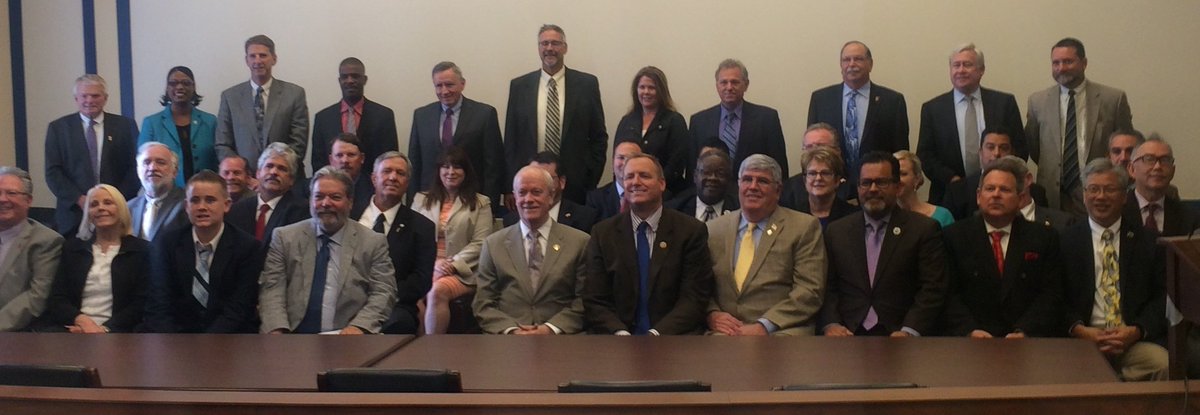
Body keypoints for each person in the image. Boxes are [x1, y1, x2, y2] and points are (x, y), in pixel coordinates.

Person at [584, 154, 714, 335]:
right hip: (616, 339)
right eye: (629, 177)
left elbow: (694, 298)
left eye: (644, 176)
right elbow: (594, 299)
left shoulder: (690, 232)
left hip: (673, 338)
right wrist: (620, 333)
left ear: (662, 184)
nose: (635, 182)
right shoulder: (603, 233)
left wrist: (655, 334)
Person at [821, 152, 947, 337]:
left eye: (881, 182)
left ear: (897, 187)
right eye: (866, 183)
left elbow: (932, 289)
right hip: (847, 334)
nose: (873, 189)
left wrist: (909, 330)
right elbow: (828, 287)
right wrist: (831, 324)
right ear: (858, 187)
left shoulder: (923, 229)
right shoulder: (837, 231)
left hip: (900, 334)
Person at [1062, 159, 1166, 381]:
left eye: (1109, 190)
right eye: (1093, 189)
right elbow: (1054, 298)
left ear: (1124, 196)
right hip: (1082, 340)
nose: (1100, 197)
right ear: (1084, 195)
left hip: (1132, 341)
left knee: (1162, 363)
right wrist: (1080, 330)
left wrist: (1136, 331)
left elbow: (1162, 297)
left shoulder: (1148, 242)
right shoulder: (1065, 241)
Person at [259, 167, 398, 334]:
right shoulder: (284, 238)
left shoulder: (372, 242)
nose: (325, 203)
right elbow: (272, 289)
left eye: (335, 197)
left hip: (348, 337)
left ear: (350, 202)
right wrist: (277, 329)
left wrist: (359, 327)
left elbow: (383, 292)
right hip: (293, 336)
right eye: (319, 196)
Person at [941, 157, 1063, 338]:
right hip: (970, 341)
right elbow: (948, 293)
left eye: (1005, 189)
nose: (996, 195)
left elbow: (1051, 294)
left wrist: (1025, 330)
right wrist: (970, 330)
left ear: (1020, 198)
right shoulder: (953, 236)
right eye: (990, 189)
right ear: (978, 196)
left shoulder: (1044, 237)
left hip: (1027, 341)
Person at [706, 155, 826, 336]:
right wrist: (712, 314)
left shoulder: (803, 228)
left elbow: (810, 291)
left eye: (762, 181)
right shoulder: (713, 229)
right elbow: (698, 286)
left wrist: (764, 325)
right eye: (747, 179)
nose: (753, 187)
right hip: (724, 332)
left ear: (778, 190)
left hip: (781, 331)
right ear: (738, 185)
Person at [474, 166, 590, 335]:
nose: (528, 199)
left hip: (561, 339)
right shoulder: (493, 244)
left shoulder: (579, 242)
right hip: (506, 340)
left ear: (551, 196)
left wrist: (549, 329)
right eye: (522, 192)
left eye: (536, 192)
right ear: (515, 197)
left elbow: (583, 301)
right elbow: (483, 303)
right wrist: (512, 330)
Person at [142, 171, 262, 333]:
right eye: (195, 200)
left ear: (227, 205)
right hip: (176, 337)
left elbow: (240, 307)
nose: (202, 207)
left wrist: (207, 342)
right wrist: (172, 341)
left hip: (229, 337)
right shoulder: (167, 244)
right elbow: (159, 302)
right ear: (186, 206)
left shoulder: (247, 247)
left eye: (210, 200)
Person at [1026, 37, 1134, 216]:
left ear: (1084, 63)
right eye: (1056, 63)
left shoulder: (1113, 99)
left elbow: (1126, 145)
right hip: (1053, 194)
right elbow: (1034, 147)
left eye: (1068, 61)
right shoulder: (1037, 101)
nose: (1061, 68)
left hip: (1099, 190)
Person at [504, 24, 607, 206]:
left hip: (575, 184)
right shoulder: (519, 86)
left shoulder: (586, 85)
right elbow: (511, 140)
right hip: (529, 185)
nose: (549, 48)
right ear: (538, 48)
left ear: (565, 48)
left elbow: (598, 137)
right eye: (544, 43)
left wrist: (589, 179)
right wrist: (510, 184)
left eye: (555, 43)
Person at [916, 43, 1025, 203]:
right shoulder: (932, 109)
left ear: (981, 70)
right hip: (948, 193)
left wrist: (998, 178)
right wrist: (953, 180)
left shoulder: (1004, 103)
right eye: (956, 65)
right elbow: (926, 155)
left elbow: (1020, 147)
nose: (961, 70)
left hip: (998, 193)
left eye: (967, 64)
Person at [34, 184, 148, 333]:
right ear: (88, 213)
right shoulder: (72, 249)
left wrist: (105, 329)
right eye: (94, 204)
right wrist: (82, 321)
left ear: (121, 209)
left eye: (108, 202)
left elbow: (141, 303)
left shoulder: (141, 250)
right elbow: (58, 298)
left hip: (120, 333)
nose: (101, 208)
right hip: (74, 329)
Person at [808, 41, 909, 199]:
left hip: (876, 188)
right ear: (841, 65)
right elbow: (811, 148)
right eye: (846, 60)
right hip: (831, 187)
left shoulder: (892, 101)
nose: (851, 64)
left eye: (858, 59)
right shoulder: (821, 99)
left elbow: (900, 151)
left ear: (870, 64)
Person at [44, 74, 139, 235]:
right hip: (73, 214)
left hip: (116, 212)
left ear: (105, 98)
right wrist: (79, 199)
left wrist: (114, 200)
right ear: (76, 99)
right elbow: (53, 172)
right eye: (84, 96)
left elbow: (135, 168)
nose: (89, 100)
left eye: (95, 96)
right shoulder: (59, 128)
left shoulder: (125, 126)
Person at [353, 151, 436, 335]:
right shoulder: (349, 215)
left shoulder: (422, 227)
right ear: (374, 178)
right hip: (345, 301)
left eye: (400, 173)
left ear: (407, 183)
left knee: (398, 324)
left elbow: (421, 280)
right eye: (387, 171)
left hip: (394, 306)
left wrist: (382, 298)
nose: (393, 177)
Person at [412, 147, 493, 334]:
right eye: (445, 166)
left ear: (466, 171)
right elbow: (413, 239)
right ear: (438, 170)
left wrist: (452, 264)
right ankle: (416, 346)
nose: (451, 172)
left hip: (463, 271)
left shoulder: (481, 203)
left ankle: (433, 347)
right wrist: (434, 264)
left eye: (457, 167)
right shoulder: (421, 200)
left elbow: (481, 242)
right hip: (428, 266)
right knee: (412, 292)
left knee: (436, 291)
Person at [409, 62, 503, 208]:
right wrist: (412, 203)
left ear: (462, 84)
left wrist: (490, 205)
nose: (444, 91)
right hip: (430, 200)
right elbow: (414, 163)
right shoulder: (421, 116)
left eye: (449, 85)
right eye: (439, 86)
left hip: (471, 200)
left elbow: (493, 165)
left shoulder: (484, 115)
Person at [215, 34, 309, 178]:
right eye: (252, 56)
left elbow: (298, 144)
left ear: (274, 59)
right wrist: (243, 175)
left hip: (283, 179)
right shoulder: (230, 97)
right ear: (246, 60)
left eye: (263, 55)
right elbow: (223, 144)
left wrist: (271, 174)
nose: (257, 61)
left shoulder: (294, 94)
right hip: (243, 182)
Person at [689, 59, 788, 179]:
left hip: (753, 188)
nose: (729, 87)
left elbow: (779, 168)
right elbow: (692, 170)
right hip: (712, 189)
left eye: (735, 82)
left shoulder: (767, 119)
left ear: (746, 85)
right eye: (724, 82)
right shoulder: (699, 122)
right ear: (717, 85)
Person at [0, 167, 65, 331]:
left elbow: (37, 296)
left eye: (11, 193)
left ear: (28, 200)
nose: (2, 199)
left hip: (17, 334)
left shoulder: (46, 241)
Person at [311, 57, 398, 174]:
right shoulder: (323, 119)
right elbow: (318, 162)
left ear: (364, 80)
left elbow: (390, 159)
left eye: (355, 76)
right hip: (333, 183)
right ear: (339, 81)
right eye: (344, 77)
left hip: (372, 183)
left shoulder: (384, 116)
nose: (350, 80)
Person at [138, 66, 218, 188]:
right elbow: (144, 161)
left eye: (186, 83)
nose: (180, 87)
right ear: (167, 88)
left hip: (204, 190)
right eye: (173, 83)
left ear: (193, 87)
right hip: (166, 192)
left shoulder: (210, 121)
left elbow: (218, 160)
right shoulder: (151, 123)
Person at [615, 66, 690, 193]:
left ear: (661, 91)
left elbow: (676, 163)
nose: (646, 92)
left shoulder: (674, 121)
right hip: (630, 192)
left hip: (666, 193)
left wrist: (654, 187)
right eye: (642, 87)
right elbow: (617, 159)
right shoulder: (626, 121)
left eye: (651, 88)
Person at [227, 143, 309, 248]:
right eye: (269, 166)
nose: (274, 172)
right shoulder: (237, 210)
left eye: (282, 169)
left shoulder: (301, 211)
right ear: (258, 173)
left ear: (291, 180)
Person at [502, 151, 599, 233]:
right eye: (532, 177)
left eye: (546, 178)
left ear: (562, 182)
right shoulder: (511, 221)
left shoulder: (585, 218)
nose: (538, 184)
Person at [1122, 136, 1199, 236]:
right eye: (1149, 159)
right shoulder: (1116, 211)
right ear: (1132, 169)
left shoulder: (1190, 217)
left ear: (1173, 171)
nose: (1157, 167)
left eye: (1165, 160)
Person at [780, 123, 855, 206]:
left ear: (837, 151)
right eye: (809, 147)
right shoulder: (789, 189)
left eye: (821, 146)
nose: (814, 151)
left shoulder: (853, 186)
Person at [128, 142, 189, 241]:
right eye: (146, 162)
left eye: (161, 162)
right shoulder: (128, 208)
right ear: (138, 171)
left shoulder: (187, 204)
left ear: (175, 172)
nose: (153, 168)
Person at [788, 146, 858, 228]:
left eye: (825, 173)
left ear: (837, 180)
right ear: (804, 180)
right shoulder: (793, 216)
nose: (818, 178)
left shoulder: (853, 216)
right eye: (812, 173)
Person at [665, 148, 738, 222]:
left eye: (720, 173)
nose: (712, 178)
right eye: (706, 172)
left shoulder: (739, 211)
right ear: (695, 176)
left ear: (729, 178)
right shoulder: (674, 210)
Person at [894, 151, 954, 228]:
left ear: (917, 179)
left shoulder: (942, 216)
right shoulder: (884, 217)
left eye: (903, 174)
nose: (897, 179)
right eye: (893, 174)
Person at [586, 141, 641, 220]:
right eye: (621, 157)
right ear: (613, 162)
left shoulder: (652, 196)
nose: (625, 163)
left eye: (631, 158)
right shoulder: (595, 199)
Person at [326, 133, 374, 219]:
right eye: (339, 155)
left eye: (351, 155)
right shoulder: (314, 189)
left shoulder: (374, 189)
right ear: (331, 159)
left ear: (362, 158)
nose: (345, 160)